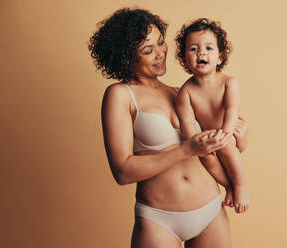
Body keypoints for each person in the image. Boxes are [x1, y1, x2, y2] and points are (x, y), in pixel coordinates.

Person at [88, 8, 248, 247]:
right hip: (159, 219)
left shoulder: (182, 93)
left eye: (161, 43)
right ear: (126, 57)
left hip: (211, 210)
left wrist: (236, 170)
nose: (160, 54)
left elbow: (213, 152)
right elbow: (122, 171)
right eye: (147, 50)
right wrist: (186, 150)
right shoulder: (120, 96)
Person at [175, 18, 250, 213]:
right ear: (184, 59)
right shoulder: (186, 91)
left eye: (209, 48)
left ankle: (240, 187)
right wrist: (196, 141)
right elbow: (187, 120)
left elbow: (232, 109)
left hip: (229, 132)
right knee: (207, 158)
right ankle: (229, 187)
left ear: (220, 57)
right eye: (193, 49)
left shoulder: (228, 82)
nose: (201, 52)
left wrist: (225, 133)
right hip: (206, 137)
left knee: (225, 146)